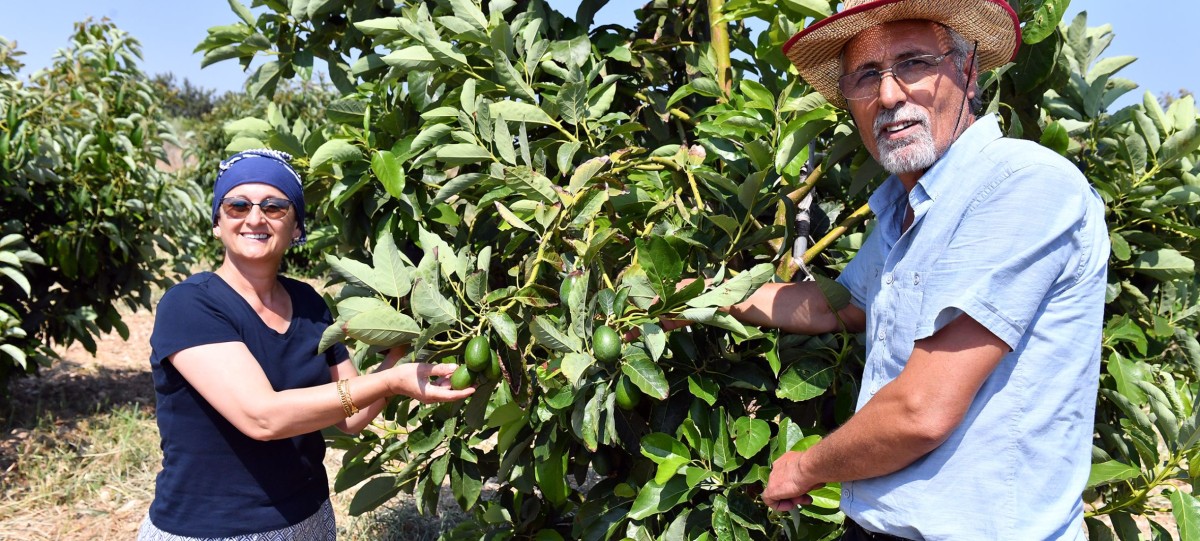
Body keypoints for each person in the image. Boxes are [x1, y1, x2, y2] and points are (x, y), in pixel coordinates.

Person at [715, 1, 1108, 539]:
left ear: (967, 72)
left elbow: (922, 409)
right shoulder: (906, 211)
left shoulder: (1025, 185)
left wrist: (804, 468)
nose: (890, 95)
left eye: (915, 62)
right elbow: (844, 305)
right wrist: (714, 298)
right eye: (867, 75)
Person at [138, 149, 475, 540]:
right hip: (211, 529)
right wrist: (390, 382)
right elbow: (262, 417)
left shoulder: (309, 304)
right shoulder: (190, 304)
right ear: (217, 222)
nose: (254, 217)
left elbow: (351, 417)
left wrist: (406, 347)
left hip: (307, 519)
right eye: (237, 205)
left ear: (296, 226)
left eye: (275, 206)